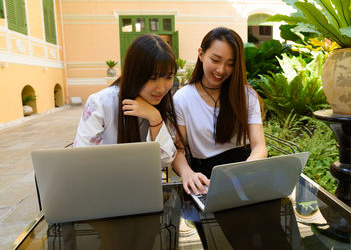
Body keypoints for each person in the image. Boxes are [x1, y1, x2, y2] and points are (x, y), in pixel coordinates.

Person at [172, 27, 268, 195]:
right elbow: (178, 150)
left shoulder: (246, 95)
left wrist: (243, 171)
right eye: (215, 60)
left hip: (245, 173)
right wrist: (188, 174)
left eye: (230, 64)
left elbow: (259, 146)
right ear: (201, 54)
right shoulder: (182, 99)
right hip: (206, 179)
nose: (221, 70)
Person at [74, 34, 183, 169]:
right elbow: (81, 159)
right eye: (152, 78)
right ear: (134, 74)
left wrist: (155, 118)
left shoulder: (164, 103)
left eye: (169, 77)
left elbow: (165, 161)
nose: (161, 88)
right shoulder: (101, 104)